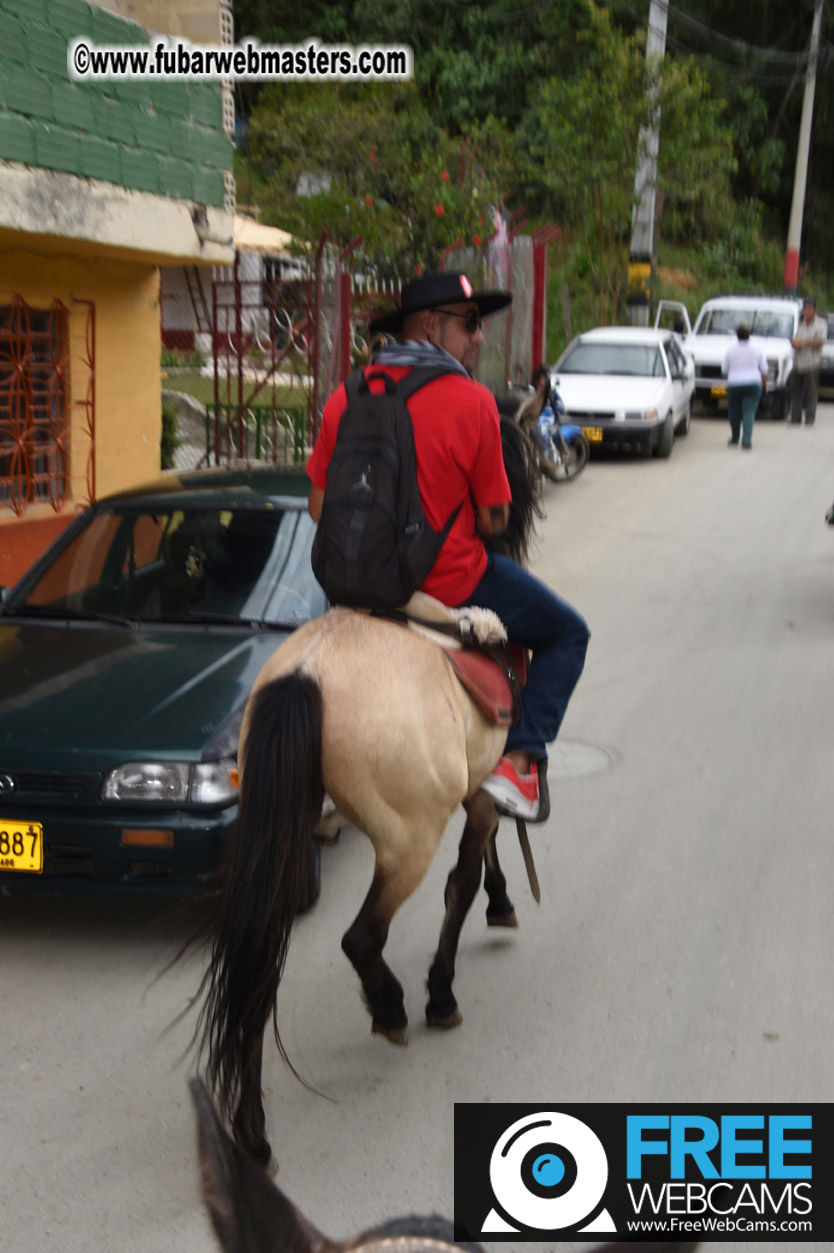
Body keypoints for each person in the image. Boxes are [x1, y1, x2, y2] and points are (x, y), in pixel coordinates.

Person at [307, 272, 589, 822]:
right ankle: (520, 765)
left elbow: (320, 508)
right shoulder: (473, 401)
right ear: (432, 325)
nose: (479, 337)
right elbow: (493, 519)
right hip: (452, 582)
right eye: (471, 323)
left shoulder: (346, 395)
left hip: (358, 587)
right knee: (569, 633)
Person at [721, 324, 768, 450]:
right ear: (749, 335)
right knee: (749, 411)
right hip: (753, 383)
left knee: (734, 411)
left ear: (737, 335)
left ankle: (735, 438)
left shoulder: (730, 350)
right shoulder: (757, 350)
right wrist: (764, 385)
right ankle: (747, 440)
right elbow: (764, 370)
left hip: (734, 383)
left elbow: (724, 369)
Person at [790, 297, 827, 426]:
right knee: (796, 391)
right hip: (798, 362)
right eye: (805, 309)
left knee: (811, 392)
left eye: (809, 309)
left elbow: (820, 343)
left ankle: (810, 418)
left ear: (814, 310)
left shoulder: (820, 324)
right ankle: (795, 417)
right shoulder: (800, 324)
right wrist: (794, 343)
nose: (806, 311)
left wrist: (804, 342)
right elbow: (795, 339)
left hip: (812, 363)